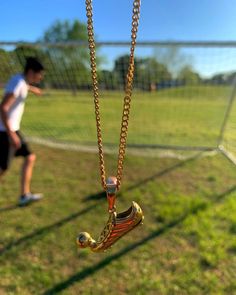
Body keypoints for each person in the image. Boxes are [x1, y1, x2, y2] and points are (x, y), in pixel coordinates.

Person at [0, 57, 44, 206]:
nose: (41, 77)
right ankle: (24, 195)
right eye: (39, 74)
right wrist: (11, 134)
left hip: (11, 129)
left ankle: (24, 195)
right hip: (5, 131)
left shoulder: (20, 80)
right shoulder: (19, 83)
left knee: (30, 157)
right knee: (2, 168)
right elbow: (3, 107)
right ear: (31, 72)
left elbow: (24, 86)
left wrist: (33, 89)